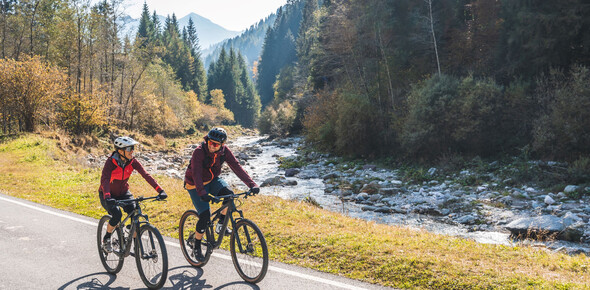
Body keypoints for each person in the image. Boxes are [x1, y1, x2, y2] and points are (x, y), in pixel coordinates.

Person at [184, 127, 260, 261]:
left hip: (212, 180)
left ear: (222, 145)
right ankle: (196, 245)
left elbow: (236, 167)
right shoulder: (199, 152)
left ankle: (220, 225)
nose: (212, 146)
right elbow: (196, 174)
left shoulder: (224, 152)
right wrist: (202, 193)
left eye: (216, 144)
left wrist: (251, 184)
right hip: (195, 184)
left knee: (229, 195)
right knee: (205, 216)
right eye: (210, 142)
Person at [99, 136, 167, 252]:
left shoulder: (133, 162)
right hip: (108, 194)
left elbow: (146, 175)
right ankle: (107, 238)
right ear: (120, 151)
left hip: (124, 192)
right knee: (117, 215)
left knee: (135, 211)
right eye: (129, 148)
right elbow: (105, 180)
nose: (132, 151)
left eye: (133, 148)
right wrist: (107, 197)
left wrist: (160, 190)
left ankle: (135, 241)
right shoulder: (111, 163)